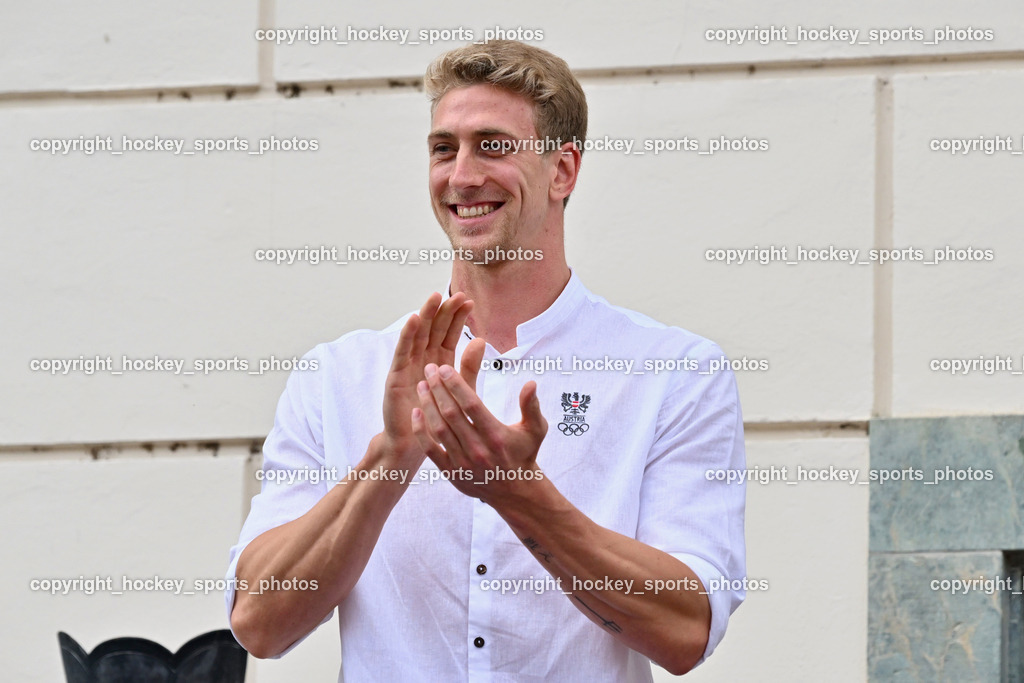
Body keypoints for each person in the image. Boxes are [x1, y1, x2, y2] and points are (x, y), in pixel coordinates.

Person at [226, 39, 746, 681]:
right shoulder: (337, 373)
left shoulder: (675, 372)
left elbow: (686, 631)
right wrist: (390, 459)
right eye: (445, 148)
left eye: (494, 146)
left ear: (563, 171)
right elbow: (259, 623)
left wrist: (519, 494)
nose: (462, 176)